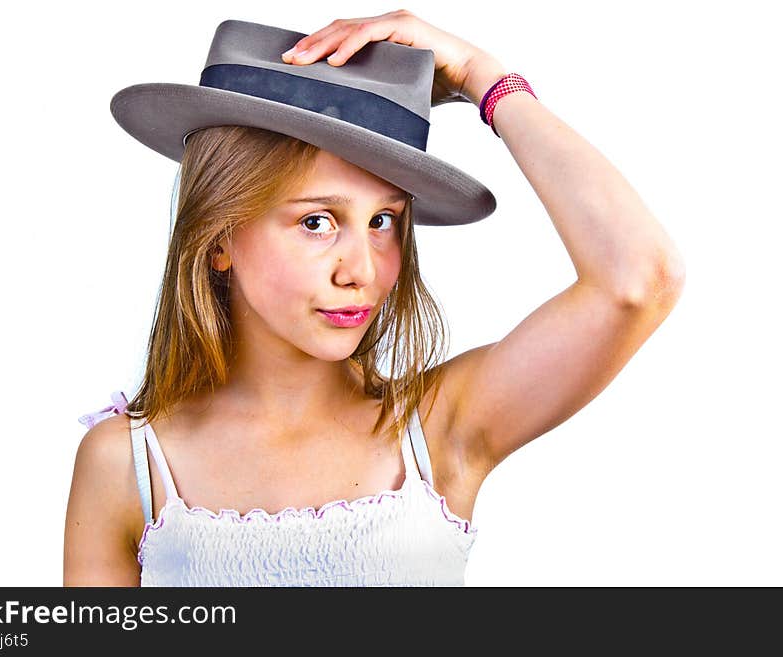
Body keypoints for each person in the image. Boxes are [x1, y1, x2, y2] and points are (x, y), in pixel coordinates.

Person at [63, 10, 686, 587]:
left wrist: (483, 79)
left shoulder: (442, 429)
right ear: (220, 237)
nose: (362, 270)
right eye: (317, 222)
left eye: (384, 221)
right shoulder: (128, 463)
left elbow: (638, 279)